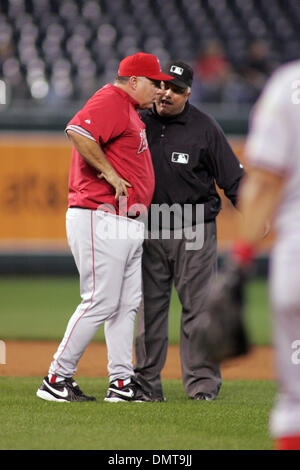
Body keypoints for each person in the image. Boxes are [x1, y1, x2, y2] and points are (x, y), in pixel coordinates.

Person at [36, 52, 174, 403]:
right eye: (154, 82)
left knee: (126, 304)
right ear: (134, 81)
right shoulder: (111, 99)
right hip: (99, 213)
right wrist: (110, 174)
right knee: (100, 300)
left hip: (125, 220)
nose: (160, 89)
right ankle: (57, 377)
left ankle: (121, 383)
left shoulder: (129, 109)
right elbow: (77, 130)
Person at [134, 60, 245, 401]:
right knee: (148, 312)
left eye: (176, 89)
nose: (166, 93)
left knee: (197, 309)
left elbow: (233, 177)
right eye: (163, 86)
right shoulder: (137, 122)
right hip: (148, 227)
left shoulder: (204, 127)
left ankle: (202, 386)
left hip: (194, 229)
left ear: (188, 93)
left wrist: (255, 212)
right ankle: (144, 385)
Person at [215, 60, 300, 450]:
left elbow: (264, 182)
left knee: (296, 403)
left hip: (296, 259)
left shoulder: (289, 85)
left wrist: (239, 261)